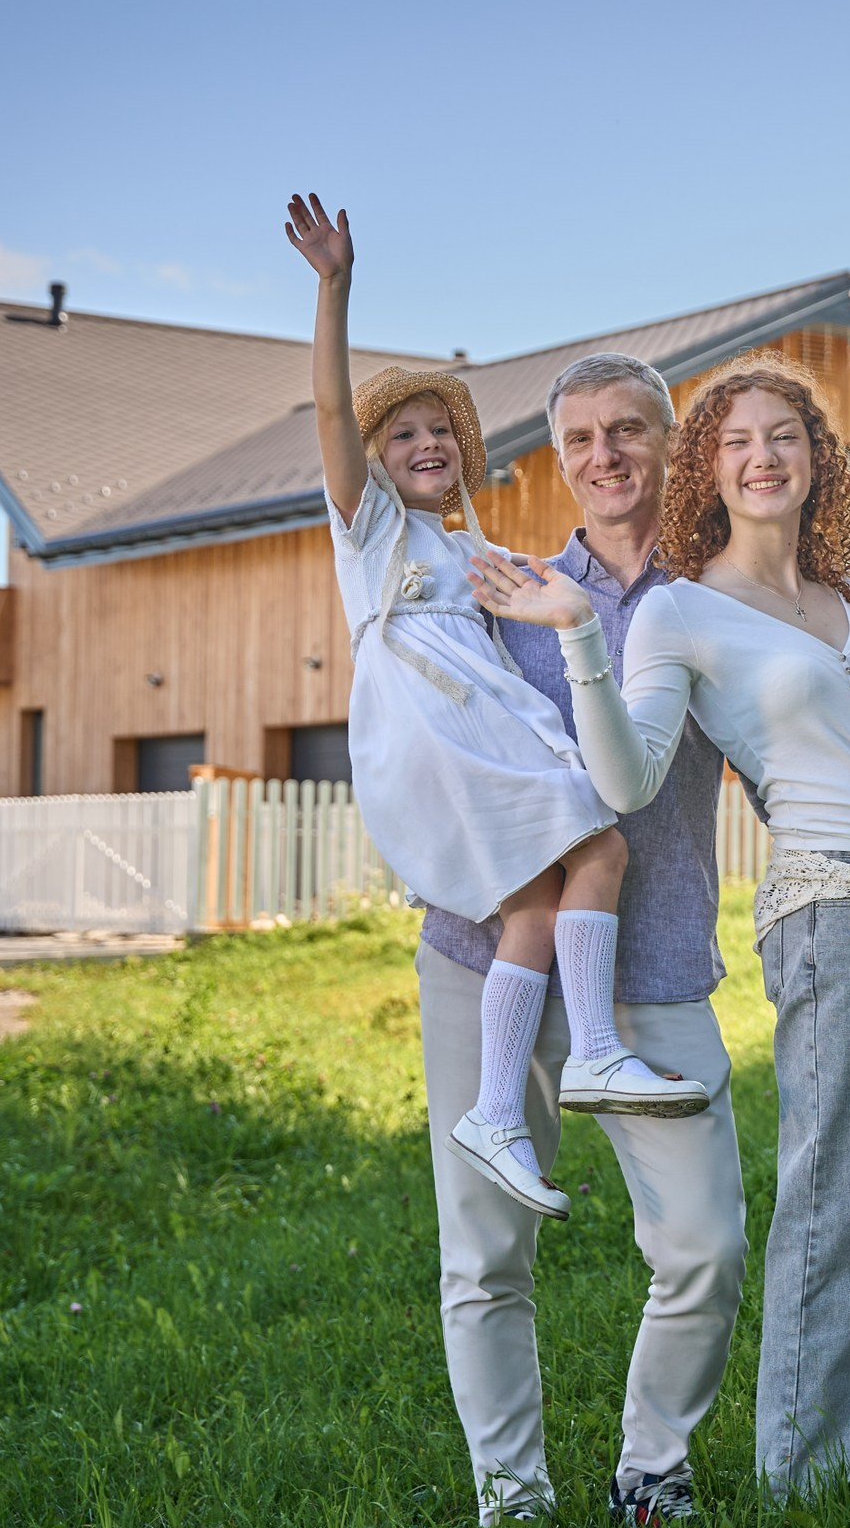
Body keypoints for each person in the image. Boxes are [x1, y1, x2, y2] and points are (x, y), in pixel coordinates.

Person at [473, 354, 850, 1497]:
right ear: (707, 469)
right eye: (736, 441)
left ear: (820, 458)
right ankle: (822, 1473)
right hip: (831, 906)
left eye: (785, 435)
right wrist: (582, 630)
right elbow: (627, 781)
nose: (764, 456)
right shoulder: (680, 610)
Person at [283, 194, 699, 1231]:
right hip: (433, 724)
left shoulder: (471, 547)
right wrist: (335, 287)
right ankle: (589, 1057)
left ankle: (500, 1110)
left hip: (482, 719)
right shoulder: (369, 531)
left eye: (440, 432)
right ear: (373, 462)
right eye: (403, 434)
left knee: (551, 891)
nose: (425, 443)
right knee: (597, 845)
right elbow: (334, 416)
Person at [407, 351, 752, 1528]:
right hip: (487, 956)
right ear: (558, 459)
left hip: (651, 961)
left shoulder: (716, 598)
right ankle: (514, 1504)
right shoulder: (495, 589)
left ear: (671, 444)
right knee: (483, 1256)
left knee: (704, 1244)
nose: (603, 456)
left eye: (627, 432)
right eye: (580, 439)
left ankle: (651, 1469)